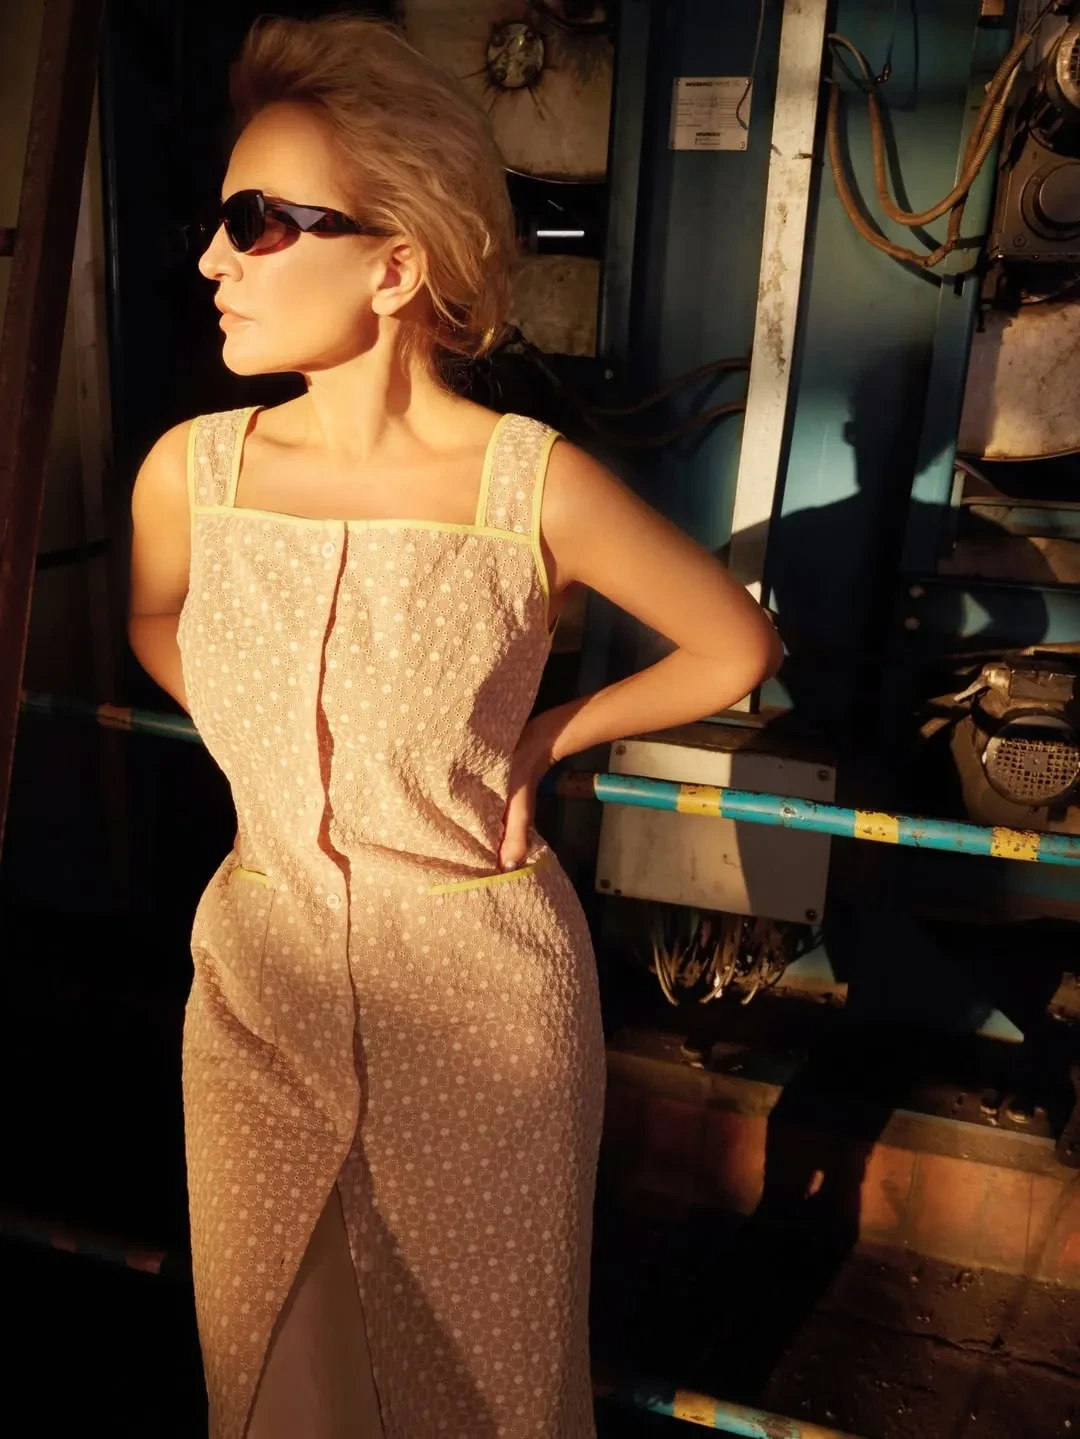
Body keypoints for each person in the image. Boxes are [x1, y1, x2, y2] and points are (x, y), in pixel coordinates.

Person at [128, 14, 781, 1439]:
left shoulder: (527, 485)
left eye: (255, 224)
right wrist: (268, 735)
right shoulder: (190, 475)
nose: (213, 262)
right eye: (217, 224)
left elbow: (735, 645)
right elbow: (155, 618)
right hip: (257, 993)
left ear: (397, 264)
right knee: (274, 1390)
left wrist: (550, 737)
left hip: (486, 1019)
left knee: (485, 1397)